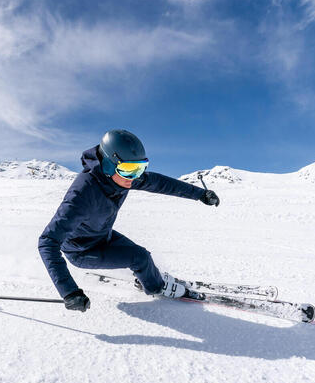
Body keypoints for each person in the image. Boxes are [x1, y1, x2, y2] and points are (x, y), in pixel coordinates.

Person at [38, 129, 220, 312]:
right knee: (140, 257)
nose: (135, 177)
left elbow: (160, 183)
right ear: (109, 164)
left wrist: (200, 194)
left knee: (143, 256)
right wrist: (69, 292)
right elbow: (47, 241)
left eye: (140, 168)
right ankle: (156, 287)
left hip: (103, 236)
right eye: (129, 170)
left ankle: (150, 277)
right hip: (82, 251)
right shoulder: (82, 194)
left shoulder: (123, 178)